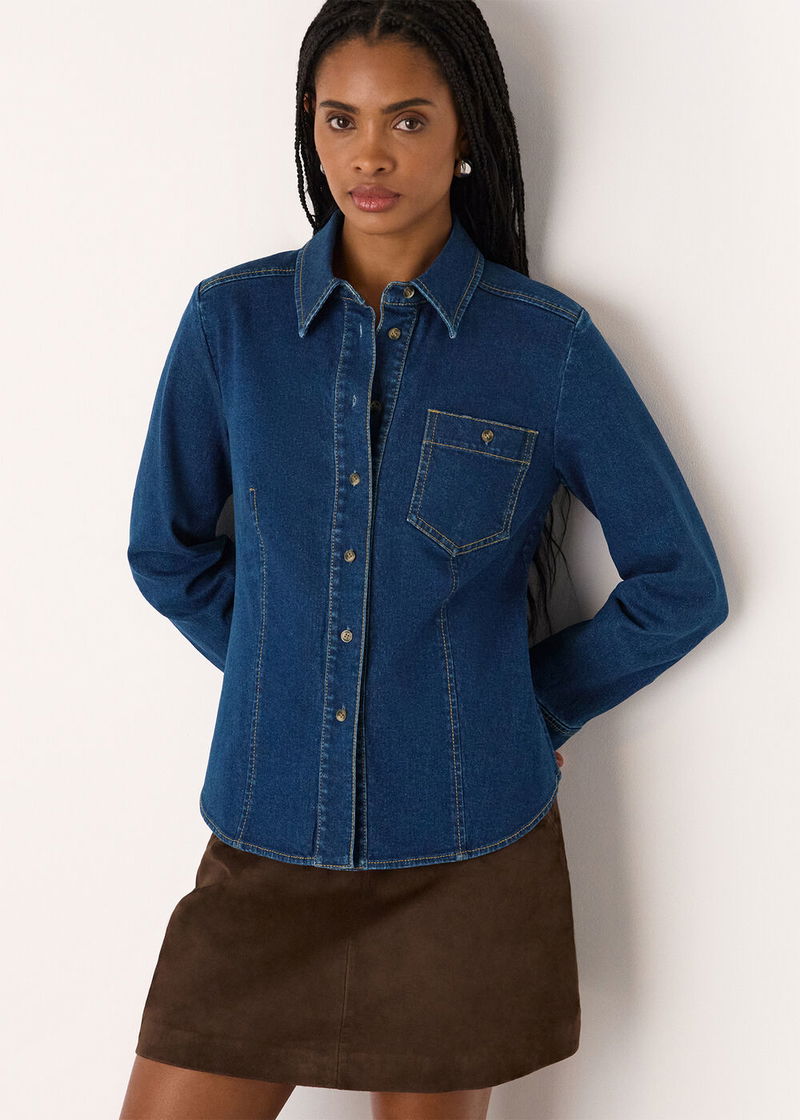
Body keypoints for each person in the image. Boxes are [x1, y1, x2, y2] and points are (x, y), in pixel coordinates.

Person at [119, 2, 728, 1118]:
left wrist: (526, 707)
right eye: (339, 119)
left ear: (463, 134)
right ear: (309, 131)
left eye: (406, 119)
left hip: (467, 849)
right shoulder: (230, 327)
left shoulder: (544, 345)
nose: (369, 154)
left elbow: (681, 584)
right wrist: (285, 670)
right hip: (267, 836)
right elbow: (168, 550)